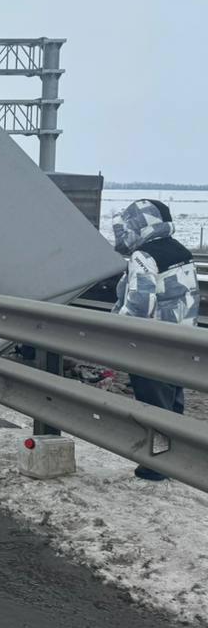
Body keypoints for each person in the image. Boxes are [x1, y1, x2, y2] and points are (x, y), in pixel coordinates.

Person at [112, 199, 201, 481]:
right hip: (182, 339)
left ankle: (156, 465)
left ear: (138, 225)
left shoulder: (143, 256)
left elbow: (139, 306)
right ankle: (175, 456)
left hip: (151, 344)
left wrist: (113, 332)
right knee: (174, 400)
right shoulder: (180, 250)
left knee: (152, 403)